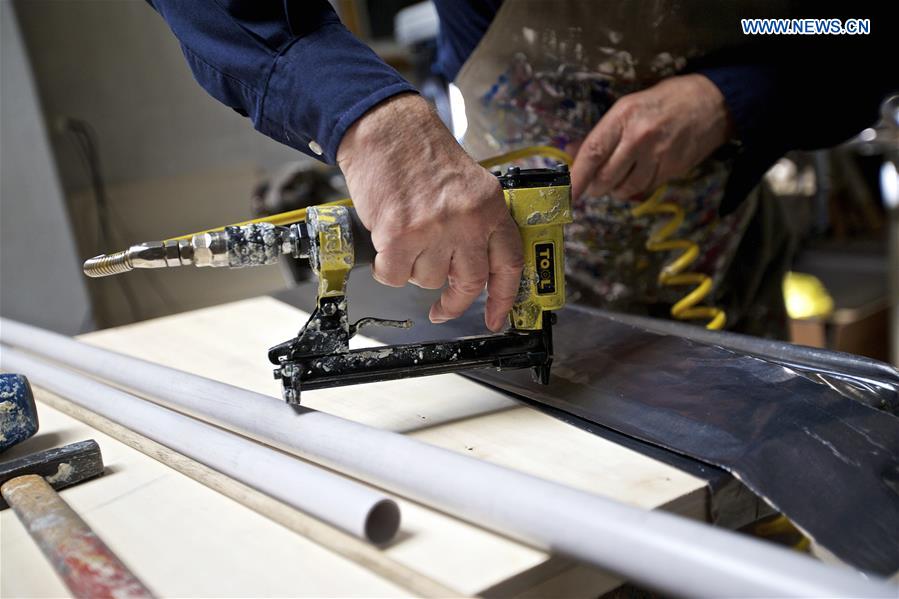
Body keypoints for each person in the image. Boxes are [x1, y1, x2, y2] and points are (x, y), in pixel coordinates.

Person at [145, 0, 892, 337]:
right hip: (523, 297)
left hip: (724, 281)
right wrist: (368, 118)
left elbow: (850, 24)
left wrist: (735, 94)